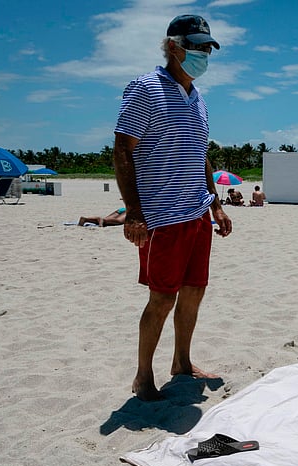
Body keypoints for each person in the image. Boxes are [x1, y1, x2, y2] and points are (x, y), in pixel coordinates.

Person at [113, 14, 232, 401]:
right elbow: (121, 149)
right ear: (172, 46)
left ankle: (181, 362)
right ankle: (142, 376)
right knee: (162, 298)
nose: (202, 55)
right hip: (162, 218)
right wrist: (133, 211)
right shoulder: (145, 89)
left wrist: (215, 204)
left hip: (196, 215)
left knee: (194, 291)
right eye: (195, 46)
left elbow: (201, 156)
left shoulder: (198, 100)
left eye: (206, 48)